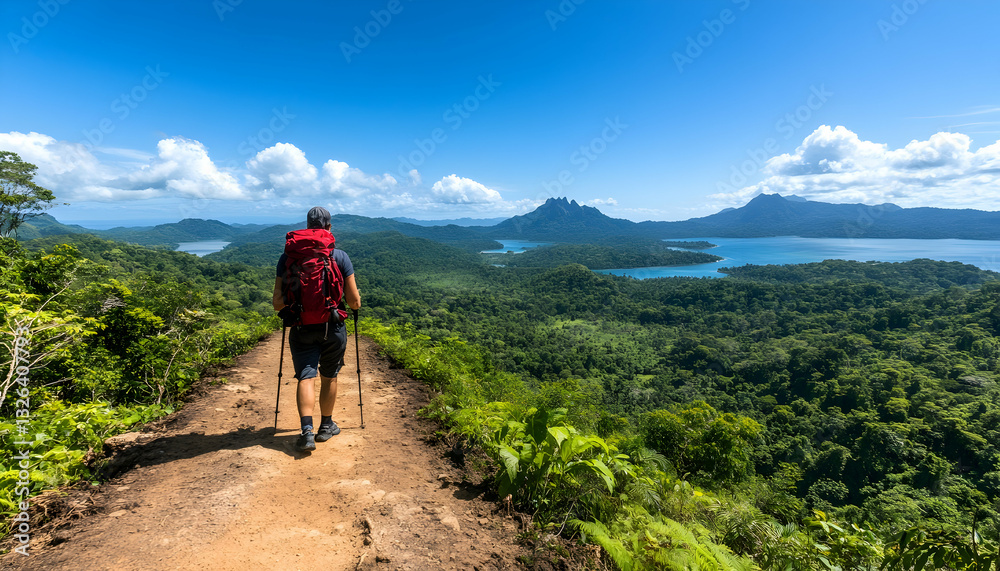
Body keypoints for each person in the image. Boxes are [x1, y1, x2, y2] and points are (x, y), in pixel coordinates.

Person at [272, 206, 361, 452]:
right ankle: (326, 426)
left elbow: (277, 302)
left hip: (301, 327)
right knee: (329, 376)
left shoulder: (288, 258)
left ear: (307, 226)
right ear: (329, 228)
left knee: (306, 376)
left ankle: (306, 432)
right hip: (332, 327)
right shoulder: (339, 257)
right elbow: (354, 301)